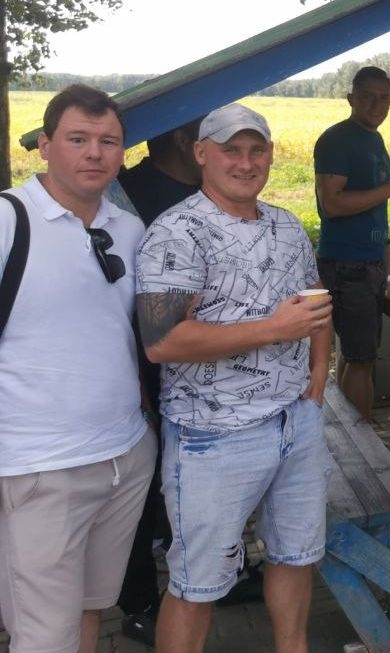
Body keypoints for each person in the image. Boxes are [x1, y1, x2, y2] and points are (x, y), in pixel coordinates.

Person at [136, 103, 332, 653]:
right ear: (201, 153)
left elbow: (315, 302)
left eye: (257, 149)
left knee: (296, 555)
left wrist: (317, 380)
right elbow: (163, 342)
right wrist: (272, 330)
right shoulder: (176, 232)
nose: (245, 163)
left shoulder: (287, 225)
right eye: (231, 149)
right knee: (196, 584)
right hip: (213, 438)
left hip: (296, 422)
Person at [0, 84, 155, 653]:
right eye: (78, 139)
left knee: (92, 612)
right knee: (43, 637)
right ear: (44, 145)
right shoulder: (7, 220)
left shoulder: (129, 230)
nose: (94, 153)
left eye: (108, 141)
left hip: (125, 456)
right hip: (40, 468)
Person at [114, 118, 267, 647]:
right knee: (145, 487)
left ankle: (221, 573)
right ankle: (139, 600)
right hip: (145, 369)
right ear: (191, 144)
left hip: (216, 375)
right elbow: (161, 324)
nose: (239, 161)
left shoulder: (202, 195)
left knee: (187, 493)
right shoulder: (144, 199)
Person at [315, 65, 390, 458]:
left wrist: (386, 244)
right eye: (368, 96)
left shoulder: (371, 139)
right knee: (360, 361)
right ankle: (365, 449)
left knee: (355, 356)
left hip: (368, 260)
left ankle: (349, 440)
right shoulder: (338, 140)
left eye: (385, 98)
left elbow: (371, 201)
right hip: (348, 264)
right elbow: (332, 203)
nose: (378, 104)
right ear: (350, 99)